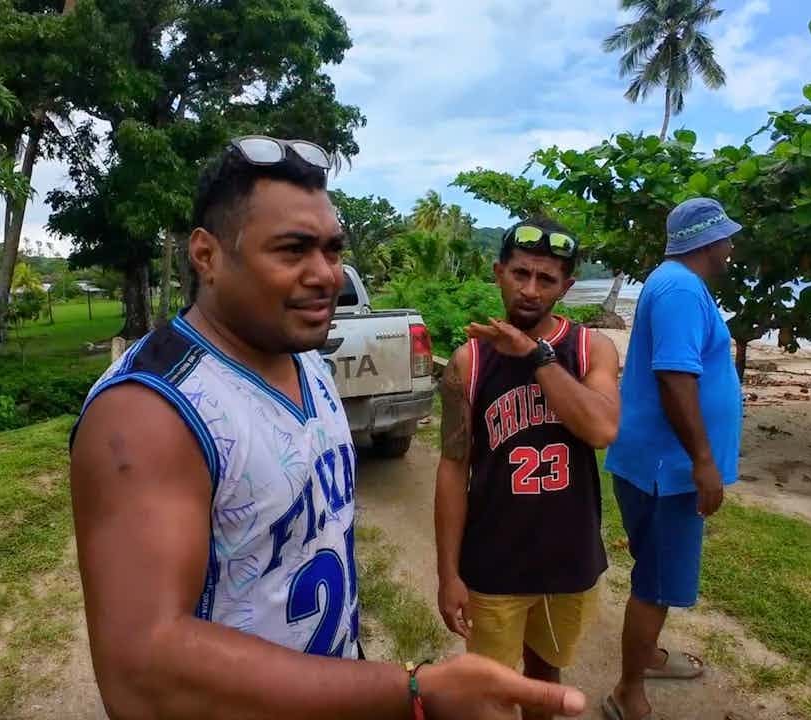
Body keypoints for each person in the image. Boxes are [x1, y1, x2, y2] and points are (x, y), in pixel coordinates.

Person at [68, 135, 586, 720]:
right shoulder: (150, 413)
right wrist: (411, 690)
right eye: (293, 251)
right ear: (207, 256)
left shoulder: (306, 362)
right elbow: (142, 674)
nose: (327, 276)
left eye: (333, 250)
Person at [434, 218, 621, 720]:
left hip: (569, 561)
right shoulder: (468, 363)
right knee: (491, 691)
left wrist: (538, 357)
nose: (531, 290)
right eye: (520, 274)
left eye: (547, 279)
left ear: (568, 286)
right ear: (498, 273)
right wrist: (447, 573)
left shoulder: (590, 350)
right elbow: (453, 470)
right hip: (494, 563)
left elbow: (602, 429)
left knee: (545, 679)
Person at [601, 198, 744, 720]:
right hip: (669, 470)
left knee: (654, 572)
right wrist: (703, 462)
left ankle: (650, 658)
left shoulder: (670, 282)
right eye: (727, 239)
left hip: (655, 464)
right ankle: (627, 690)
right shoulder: (682, 289)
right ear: (708, 243)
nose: (732, 247)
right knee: (655, 585)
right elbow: (675, 378)